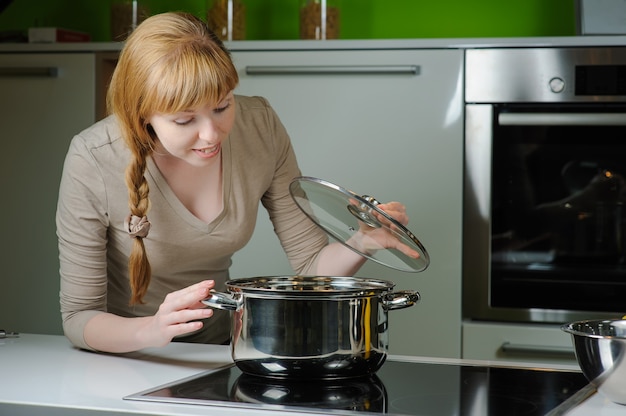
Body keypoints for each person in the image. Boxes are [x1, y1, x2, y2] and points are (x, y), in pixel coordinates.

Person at [56, 11, 417, 354]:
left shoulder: (259, 126)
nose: (211, 134)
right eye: (184, 121)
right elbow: (79, 318)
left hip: (222, 350)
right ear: (142, 115)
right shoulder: (93, 157)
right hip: (127, 356)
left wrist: (362, 242)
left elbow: (310, 265)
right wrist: (152, 331)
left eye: (222, 105)